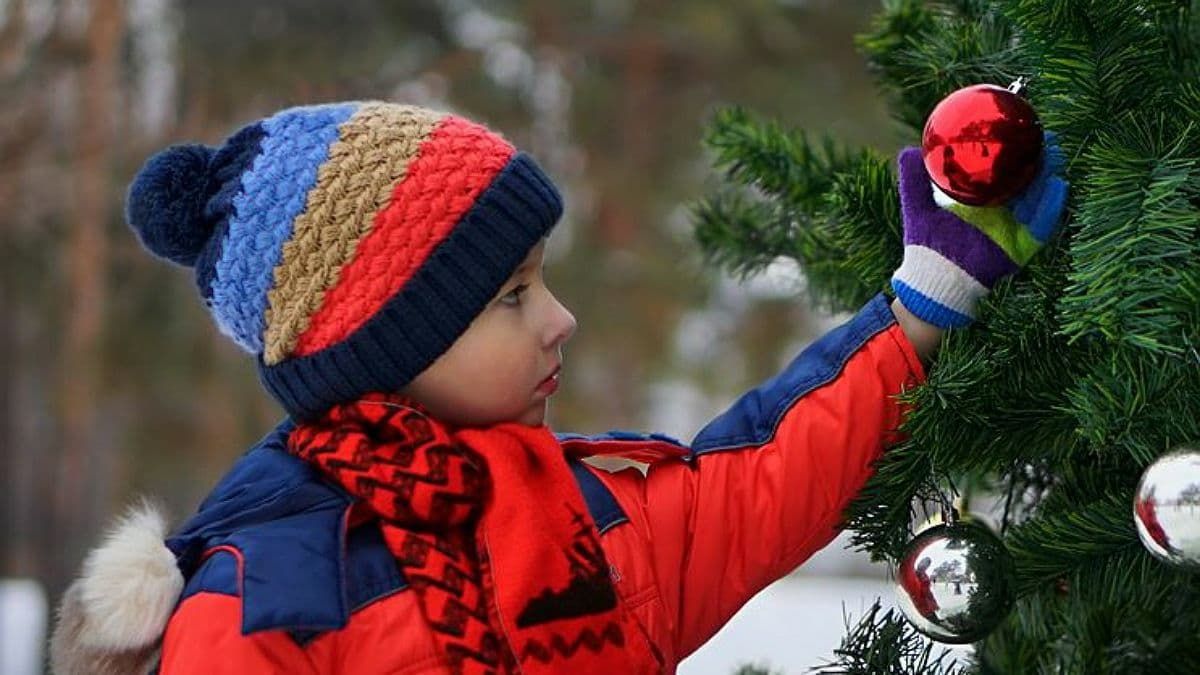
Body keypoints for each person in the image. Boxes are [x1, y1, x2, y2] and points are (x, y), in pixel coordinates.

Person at [49, 101, 1067, 675]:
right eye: (511, 296)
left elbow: (757, 479)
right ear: (386, 345)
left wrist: (924, 301)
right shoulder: (264, 609)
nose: (560, 319)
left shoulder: (573, 517)